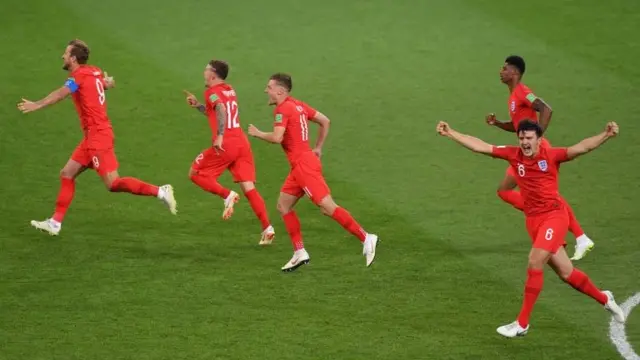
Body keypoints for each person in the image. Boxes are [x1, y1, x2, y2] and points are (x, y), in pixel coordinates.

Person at [436, 119, 625, 338]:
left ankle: (522, 323)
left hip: (554, 217)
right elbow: (480, 146)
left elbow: (582, 147)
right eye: (522, 138)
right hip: (534, 221)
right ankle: (605, 299)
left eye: (529, 138)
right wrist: (452, 133)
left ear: (539, 140)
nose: (525, 142)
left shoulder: (552, 156)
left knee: (535, 261)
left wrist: (605, 135)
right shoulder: (513, 155)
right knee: (567, 273)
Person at [17, 39, 177, 236]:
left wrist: (37, 104)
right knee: (67, 173)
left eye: (66, 54)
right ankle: (55, 223)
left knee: (113, 183)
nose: (63, 56)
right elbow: (97, 84)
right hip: (93, 137)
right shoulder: (94, 71)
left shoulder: (77, 77)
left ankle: (161, 191)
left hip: (98, 138)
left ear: (73, 59)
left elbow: (62, 93)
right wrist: (107, 84)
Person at [247, 73, 378, 272]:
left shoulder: (282, 110)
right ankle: (299, 252)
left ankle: (366, 237)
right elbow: (325, 120)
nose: (266, 91)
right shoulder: (298, 105)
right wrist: (318, 148)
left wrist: (257, 133)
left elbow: (276, 138)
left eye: (269, 87)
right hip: (302, 164)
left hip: (304, 167)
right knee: (283, 205)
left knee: (327, 207)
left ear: (280, 91)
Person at [486, 55, 594, 260]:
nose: (501, 71)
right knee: (505, 191)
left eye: (505, 68)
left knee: (545, 196)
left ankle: (578, 235)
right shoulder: (513, 96)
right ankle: (569, 230)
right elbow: (519, 125)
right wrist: (498, 123)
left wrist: (537, 138)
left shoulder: (523, 92)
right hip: (528, 150)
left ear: (515, 73)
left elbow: (546, 109)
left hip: (535, 151)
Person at [183, 60, 275, 244]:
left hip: (227, 143)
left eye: (206, 69)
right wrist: (199, 106)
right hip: (241, 143)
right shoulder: (229, 89)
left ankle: (227, 195)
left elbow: (220, 109)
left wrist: (219, 135)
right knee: (249, 188)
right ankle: (267, 227)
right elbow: (218, 111)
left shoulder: (211, 92)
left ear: (213, 74)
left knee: (194, 174)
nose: (204, 72)